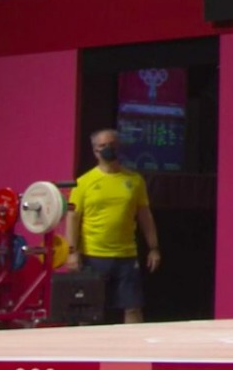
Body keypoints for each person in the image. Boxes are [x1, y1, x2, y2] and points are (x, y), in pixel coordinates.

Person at [64, 128, 161, 324]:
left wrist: (154, 248)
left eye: (112, 145)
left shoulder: (134, 181)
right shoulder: (83, 183)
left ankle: (134, 352)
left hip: (126, 256)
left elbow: (145, 216)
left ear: (119, 148)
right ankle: (90, 353)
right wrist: (72, 252)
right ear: (95, 151)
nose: (108, 149)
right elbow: (73, 218)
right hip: (93, 256)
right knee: (89, 311)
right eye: (103, 146)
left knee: (133, 307)